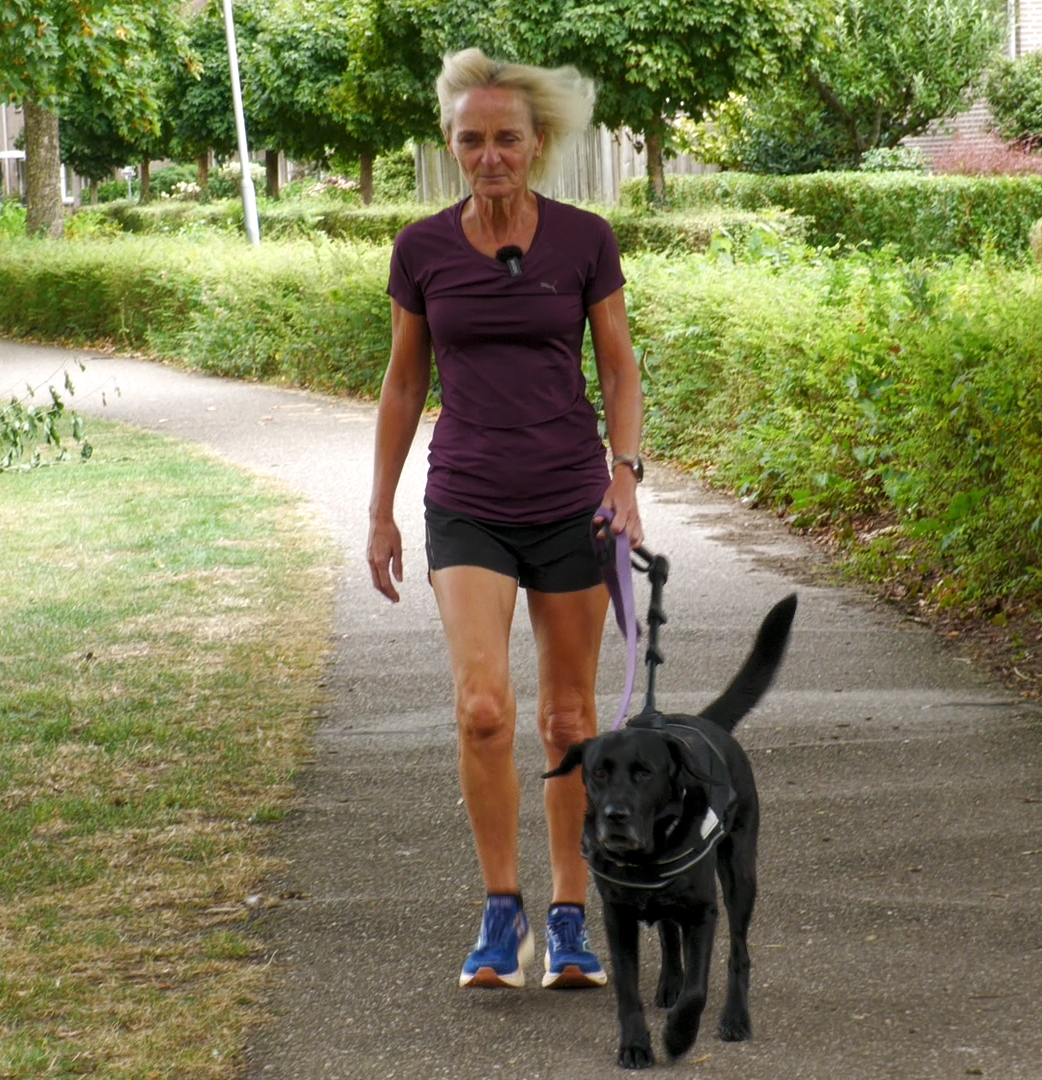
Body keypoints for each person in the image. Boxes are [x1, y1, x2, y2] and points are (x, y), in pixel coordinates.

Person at [366, 48, 645, 990]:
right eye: (472, 140)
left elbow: (618, 366)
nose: (490, 156)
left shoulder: (583, 239)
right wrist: (381, 510)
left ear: (537, 144)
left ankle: (570, 917)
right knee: (484, 708)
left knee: (567, 720)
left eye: (507, 140)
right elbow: (405, 384)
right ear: (451, 145)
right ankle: (501, 914)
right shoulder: (421, 248)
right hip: (469, 502)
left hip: (571, 501)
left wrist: (626, 477)